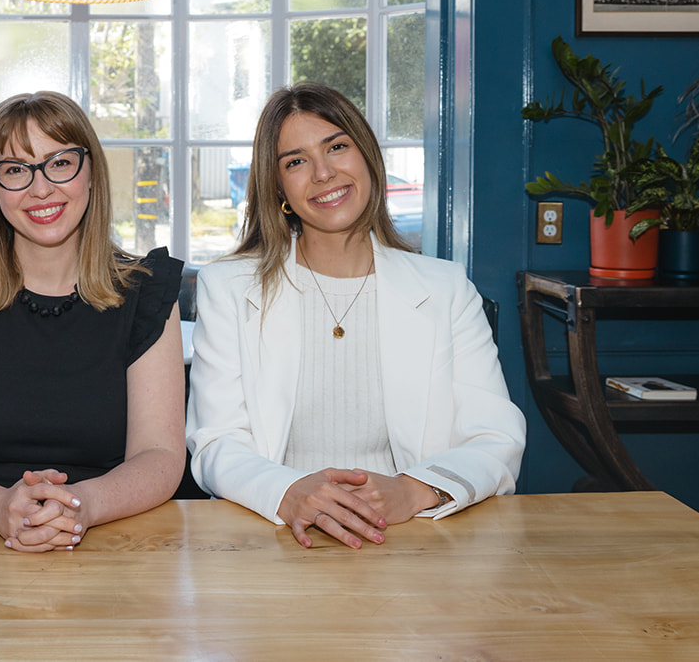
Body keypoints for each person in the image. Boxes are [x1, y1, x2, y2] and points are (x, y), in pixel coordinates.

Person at [186, 83, 525, 549]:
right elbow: (215, 443)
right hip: (272, 540)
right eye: (296, 161)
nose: (323, 173)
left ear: (367, 158)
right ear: (279, 187)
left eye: (337, 147)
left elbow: (496, 437)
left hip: (411, 542)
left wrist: (410, 490)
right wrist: (289, 492)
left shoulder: (445, 288)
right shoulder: (227, 288)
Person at [0, 91, 185, 552]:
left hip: (112, 540)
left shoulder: (148, 291)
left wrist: (79, 505)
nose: (40, 188)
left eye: (60, 163)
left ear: (90, 172)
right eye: (14, 170)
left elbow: (160, 457)